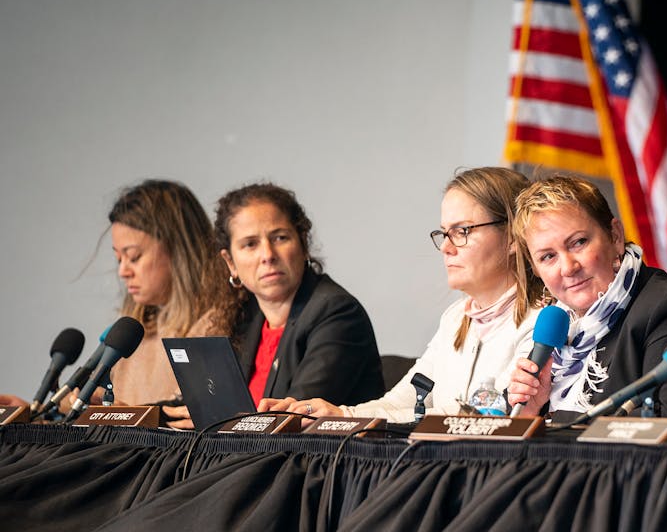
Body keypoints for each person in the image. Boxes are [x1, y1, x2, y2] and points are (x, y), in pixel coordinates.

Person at [264, 167, 542, 423]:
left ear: (513, 238)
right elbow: (403, 401)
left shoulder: (543, 321)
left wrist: (346, 415)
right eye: (444, 233)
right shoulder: (456, 318)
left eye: (462, 231)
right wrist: (338, 413)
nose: (446, 247)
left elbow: (482, 416)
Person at [505, 175, 667, 420]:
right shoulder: (555, 327)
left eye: (578, 243)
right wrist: (531, 411)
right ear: (535, 269)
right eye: (547, 257)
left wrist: (550, 420)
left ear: (615, 236)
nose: (567, 267)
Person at [216, 182, 383, 409]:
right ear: (230, 263)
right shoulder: (245, 315)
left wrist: (220, 418)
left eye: (279, 238)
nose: (267, 254)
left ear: (303, 242)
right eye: (250, 244)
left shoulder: (337, 313)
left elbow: (292, 416)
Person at [100, 180, 239, 425]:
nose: (123, 271)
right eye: (118, 258)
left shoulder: (221, 323)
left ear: (178, 250)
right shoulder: (132, 333)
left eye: (134, 257)